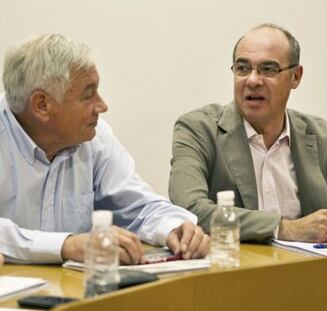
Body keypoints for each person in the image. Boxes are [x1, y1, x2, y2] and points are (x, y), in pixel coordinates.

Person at [169, 23, 327, 243]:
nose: (253, 80)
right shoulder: (199, 129)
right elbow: (189, 209)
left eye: (268, 69)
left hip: (309, 276)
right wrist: (284, 228)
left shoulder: (320, 135)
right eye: (243, 68)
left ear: (295, 77)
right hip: (236, 274)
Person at [0, 34, 209, 264]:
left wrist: (175, 228)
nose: (102, 106)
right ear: (42, 105)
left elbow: (138, 206)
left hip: (74, 290)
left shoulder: (93, 137)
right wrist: (67, 245)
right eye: (88, 95)